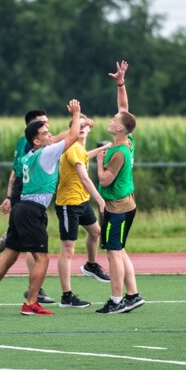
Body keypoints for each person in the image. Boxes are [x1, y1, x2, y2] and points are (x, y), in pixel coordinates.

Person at [0, 100, 82, 316]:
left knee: (10, 254)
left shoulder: (29, 155)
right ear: (36, 140)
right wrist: (77, 114)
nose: (50, 135)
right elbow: (74, 135)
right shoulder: (46, 153)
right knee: (42, 258)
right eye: (45, 132)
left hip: (20, 208)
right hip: (32, 210)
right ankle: (31, 302)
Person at [0, 108, 55, 305]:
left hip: (21, 200)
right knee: (39, 255)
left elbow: (16, 170)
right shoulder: (32, 146)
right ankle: (32, 300)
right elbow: (17, 173)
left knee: (12, 252)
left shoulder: (28, 147)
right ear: (33, 131)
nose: (48, 128)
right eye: (44, 125)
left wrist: (9, 196)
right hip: (29, 201)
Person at [95, 60, 144, 314]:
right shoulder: (128, 138)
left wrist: (98, 161)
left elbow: (104, 180)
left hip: (118, 208)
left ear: (120, 128)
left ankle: (116, 301)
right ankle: (133, 295)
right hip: (126, 204)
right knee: (119, 249)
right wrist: (121, 83)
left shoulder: (118, 152)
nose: (112, 118)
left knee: (113, 253)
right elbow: (124, 107)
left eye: (115, 119)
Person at [54, 114, 109, 308]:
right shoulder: (73, 148)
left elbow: (85, 155)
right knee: (68, 249)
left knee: (96, 232)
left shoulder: (80, 149)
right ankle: (66, 296)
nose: (84, 128)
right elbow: (85, 179)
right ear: (74, 130)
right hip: (69, 204)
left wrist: (103, 149)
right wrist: (101, 201)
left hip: (81, 202)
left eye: (86, 126)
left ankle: (91, 265)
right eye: (80, 125)